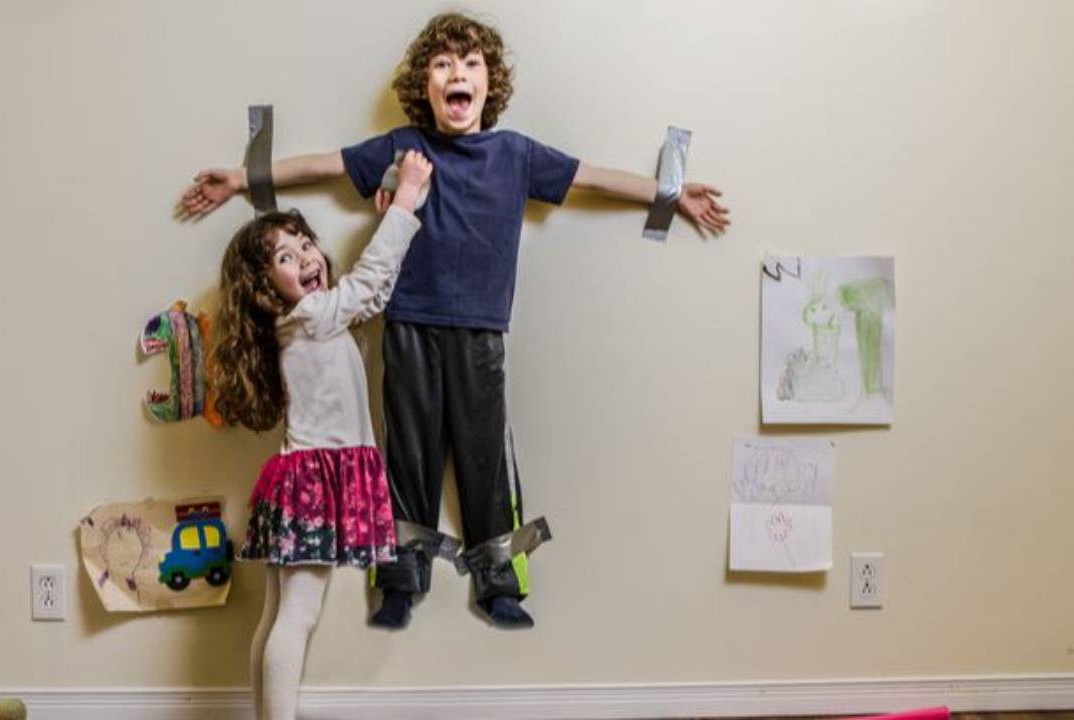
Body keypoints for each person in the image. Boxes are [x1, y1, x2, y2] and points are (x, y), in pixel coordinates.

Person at [181, 12, 730, 631]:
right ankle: (399, 583)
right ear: (427, 85)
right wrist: (243, 178)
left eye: (470, 64)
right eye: (443, 64)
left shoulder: (515, 153)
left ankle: (500, 584)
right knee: (408, 457)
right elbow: (326, 165)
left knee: (485, 458)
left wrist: (670, 194)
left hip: (481, 331)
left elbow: (592, 177)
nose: (457, 73)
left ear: (488, 84)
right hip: (408, 326)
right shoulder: (404, 147)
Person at [211, 151, 432, 720]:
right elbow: (370, 279)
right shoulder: (311, 315)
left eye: (305, 243)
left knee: (277, 616)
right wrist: (408, 197)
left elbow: (369, 297)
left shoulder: (306, 320)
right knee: (298, 617)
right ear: (264, 286)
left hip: (300, 481)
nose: (307, 256)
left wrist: (398, 214)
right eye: (285, 257)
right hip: (313, 483)